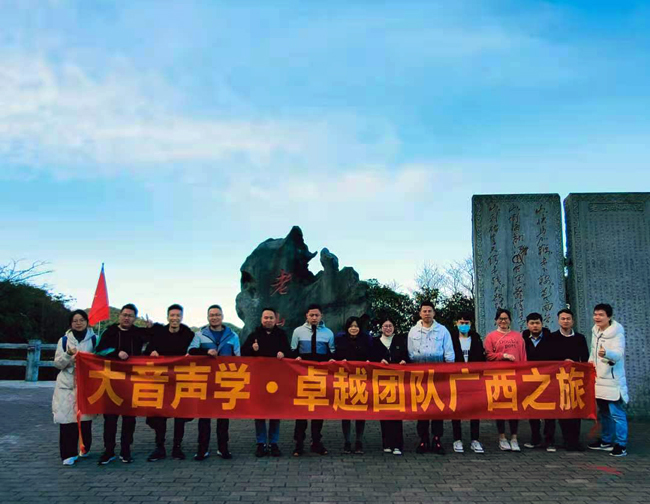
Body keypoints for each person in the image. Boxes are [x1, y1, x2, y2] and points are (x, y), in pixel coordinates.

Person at [94, 303, 148, 464]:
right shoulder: (109, 331)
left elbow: (156, 340)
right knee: (110, 419)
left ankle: (126, 450)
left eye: (130, 316)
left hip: (131, 382)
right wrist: (116, 353)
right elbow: (98, 351)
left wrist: (152, 328)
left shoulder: (138, 333)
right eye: (124, 315)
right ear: (119, 316)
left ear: (135, 318)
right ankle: (108, 450)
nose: (126, 318)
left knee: (129, 418)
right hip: (110, 381)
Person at [188, 304, 240, 460]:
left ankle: (223, 448)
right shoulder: (199, 335)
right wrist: (206, 352)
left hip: (225, 381)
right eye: (211, 315)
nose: (214, 317)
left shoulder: (233, 336)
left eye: (217, 314)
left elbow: (239, 358)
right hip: (205, 381)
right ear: (207, 317)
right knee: (204, 417)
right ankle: (202, 449)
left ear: (222, 316)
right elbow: (191, 351)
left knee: (223, 417)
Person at [144, 304, 196, 462]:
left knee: (180, 415)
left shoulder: (188, 333)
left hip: (180, 381)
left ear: (182, 317)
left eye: (178, 316)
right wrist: (151, 352)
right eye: (172, 315)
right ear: (168, 317)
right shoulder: (159, 333)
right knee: (160, 415)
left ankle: (177, 447)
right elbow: (146, 351)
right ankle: (159, 446)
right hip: (161, 381)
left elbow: (195, 350)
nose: (175, 318)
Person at [241, 307, 290, 457]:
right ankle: (261, 443)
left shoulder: (281, 335)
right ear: (261, 319)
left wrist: (283, 353)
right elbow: (243, 353)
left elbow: (290, 352)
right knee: (260, 412)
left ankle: (273, 443)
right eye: (265, 318)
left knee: (275, 412)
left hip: (277, 380)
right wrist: (252, 348)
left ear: (276, 320)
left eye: (271, 318)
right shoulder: (254, 335)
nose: (268, 320)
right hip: (259, 379)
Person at [407, 301, 454, 455]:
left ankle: (437, 439)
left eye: (429, 311)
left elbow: (449, 353)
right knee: (422, 407)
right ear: (420, 313)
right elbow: (410, 353)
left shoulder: (443, 330)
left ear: (434, 313)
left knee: (437, 407)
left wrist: (448, 371)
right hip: (419, 374)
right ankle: (423, 439)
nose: (427, 313)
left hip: (438, 375)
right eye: (424, 311)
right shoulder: (413, 331)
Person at [52, 309, 98, 466]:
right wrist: (69, 355)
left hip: (86, 385)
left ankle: (84, 448)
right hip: (67, 386)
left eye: (81, 320)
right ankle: (67, 454)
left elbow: (101, 361)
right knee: (67, 421)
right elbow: (58, 363)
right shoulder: (64, 340)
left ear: (87, 322)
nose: (78, 323)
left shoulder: (95, 339)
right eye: (75, 321)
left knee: (85, 421)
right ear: (70, 324)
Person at [291, 303, 335, 456]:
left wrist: (331, 360)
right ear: (307, 316)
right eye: (311, 315)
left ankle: (316, 442)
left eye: (317, 315)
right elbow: (292, 350)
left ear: (321, 316)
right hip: (303, 376)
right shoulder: (298, 331)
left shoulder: (328, 333)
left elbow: (332, 353)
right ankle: (299, 443)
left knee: (318, 411)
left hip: (320, 377)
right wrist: (296, 357)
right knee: (301, 412)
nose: (314, 317)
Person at [588, 303, 628, 457]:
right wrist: (589, 366)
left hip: (612, 379)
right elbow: (593, 352)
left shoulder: (617, 332)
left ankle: (621, 444)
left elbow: (618, 354)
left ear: (609, 317)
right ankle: (606, 441)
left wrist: (607, 353)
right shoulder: (596, 330)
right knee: (604, 412)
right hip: (599, 379)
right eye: (595, 314)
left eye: (601, 315)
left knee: (617, 413)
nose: (597, 317)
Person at [483, 308, 526, 452]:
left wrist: (524, 372)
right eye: (500, 319)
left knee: (514, 408)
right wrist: (503, 355)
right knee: (500, 408)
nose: (503, 321)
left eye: (506, 318)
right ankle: (502, 437)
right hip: (498, 376)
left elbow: (523, 356)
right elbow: (488, 355)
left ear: (510, 320)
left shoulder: (518, 336)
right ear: (496, 320)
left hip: (515, 376)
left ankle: (514, 437)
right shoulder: (491, 337)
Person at [550, 308, 589, 451]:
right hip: (559, 378)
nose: (565, 321)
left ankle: (575, 440)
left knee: (576, 409)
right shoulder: (552, 338)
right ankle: (567, 440)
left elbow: (585, 358)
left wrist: (576, 364)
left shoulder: (580, 338)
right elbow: (548, 358)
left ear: (573, 321)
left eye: (568, 319)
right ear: (558, 320)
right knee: (563, 409)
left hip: (576, 378)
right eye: (563, 318)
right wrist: (562, 362)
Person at [370, 317, 408, 456]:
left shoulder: (400, 341)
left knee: (397, 413)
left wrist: (404, 361)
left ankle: (398, 445)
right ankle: (386, 443)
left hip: (397, 382)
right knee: (384, 413)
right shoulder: (375, 342)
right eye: (385, 326)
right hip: (381, 383)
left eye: (390, 326)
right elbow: (370, 358)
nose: (388, 328)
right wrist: (379, 361)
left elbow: (406, 356)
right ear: (381, 328)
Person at [522, 312, 559, 452]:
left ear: (542, 324)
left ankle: (550, 441)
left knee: (549, 411)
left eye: (537, 323)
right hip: (530, 380)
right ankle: (535, 439)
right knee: (533, 410)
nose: (535, 326)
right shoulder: (523, 340)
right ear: (527, 325)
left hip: (548, 379)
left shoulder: (551, 339)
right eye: (532, 323)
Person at [334, 316, 372, 454]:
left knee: (360, 411)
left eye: (356, 326)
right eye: (351, 326)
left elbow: (371, 356)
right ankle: (347, 441)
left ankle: (359, 441)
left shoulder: (366, 339)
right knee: (346, 411)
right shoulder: (341, 339)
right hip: (345, 380)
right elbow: (335, 356)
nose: (354, 328)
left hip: (361, 380)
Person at [449, 312, 485, 454]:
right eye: (461, 323)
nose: (464, 325)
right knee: (456, 409)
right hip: (456, 378)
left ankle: (475, 439)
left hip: (473, 379)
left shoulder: (476, 338)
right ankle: (457, 439)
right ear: (456, 323)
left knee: (474, 409)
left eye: (466, 323)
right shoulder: (451, 339)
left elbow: (482, 358)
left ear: (471, 324)